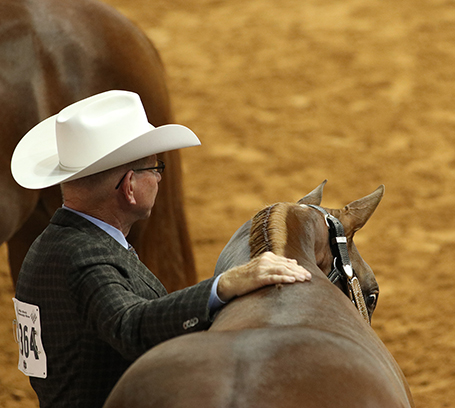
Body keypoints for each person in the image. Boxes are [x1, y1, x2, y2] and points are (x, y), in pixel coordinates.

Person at [10, 90, 311, 408]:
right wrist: (223, 286)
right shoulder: (85, 257)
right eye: (155, 169)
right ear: (129, 186)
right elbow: (131, 325)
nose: (158, 178)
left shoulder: (52, 245)